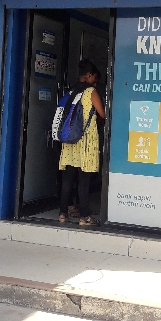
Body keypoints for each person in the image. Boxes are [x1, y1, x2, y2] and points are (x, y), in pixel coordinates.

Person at [58, 59, 105, 226]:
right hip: (85, 140)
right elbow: (102, 114)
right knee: (84, 180)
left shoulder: (71, 92)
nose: (95, 82)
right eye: (95, 78)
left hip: (70, 139)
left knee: (68, 179)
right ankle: (84, 216)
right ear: (90, 75)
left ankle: (63, 213)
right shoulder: (91, 92)